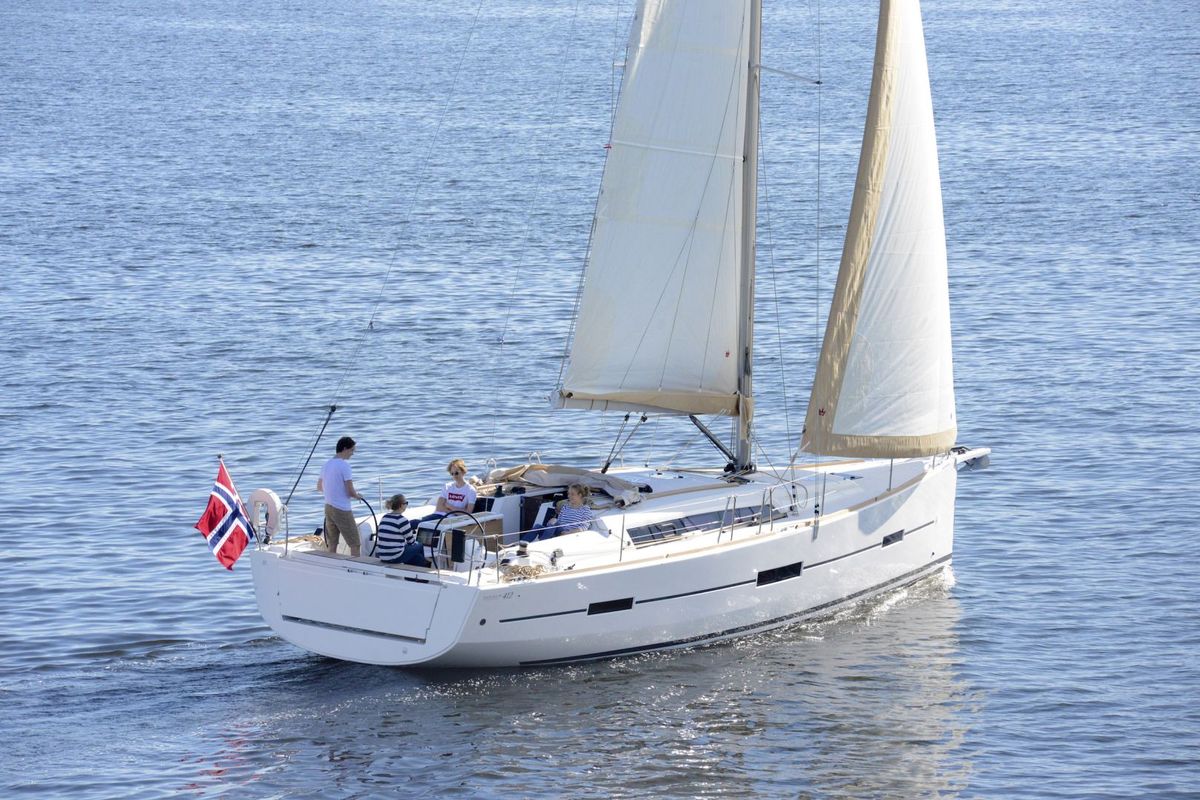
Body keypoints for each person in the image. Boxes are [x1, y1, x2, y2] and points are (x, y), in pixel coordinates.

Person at [316, 436, 363, 556]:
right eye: (352, 450)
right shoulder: (344, 466)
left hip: (328, 507)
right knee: (355, 543)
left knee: (332, 542)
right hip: (342, 509)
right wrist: (358, 496)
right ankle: (355, 568)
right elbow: (350, 491)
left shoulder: (326, 464)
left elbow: (319, 487)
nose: (352, 454)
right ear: (345, 449)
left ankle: (332, 565)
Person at [526, 483, 595, 541]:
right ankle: (521, 545)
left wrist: (568, 533)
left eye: (572, 494)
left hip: (569, 535)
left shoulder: (585, 510)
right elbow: (559, 522)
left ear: (580, 495)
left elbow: (584, 527)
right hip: (559, 531)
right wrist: (553, 521)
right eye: (568, 494)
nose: (569, 496)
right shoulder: (566, 507)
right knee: (538, 526)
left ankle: (543, 542)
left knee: (553, 523)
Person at [376, 494, 428, 566]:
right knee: (420, 545)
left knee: (417, 558)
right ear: (401, 505)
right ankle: (424, 568)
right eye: (406, 503)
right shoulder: (402, 520)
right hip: (395, 556)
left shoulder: (384, 517)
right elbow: (411, 542)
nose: (407, 505)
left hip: (382, 555)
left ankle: (419, 566)